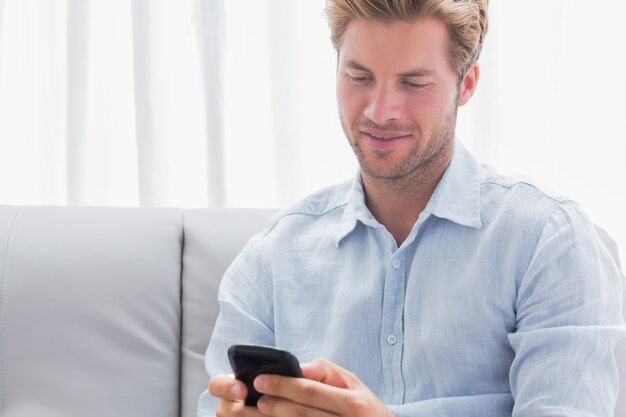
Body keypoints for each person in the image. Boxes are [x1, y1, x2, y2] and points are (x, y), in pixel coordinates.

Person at [197, 0, 625, 415]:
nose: (380, 111)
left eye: (414, 83)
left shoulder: (547, 243)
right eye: (359, 77)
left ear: (467, 84)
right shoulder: (272, 259)